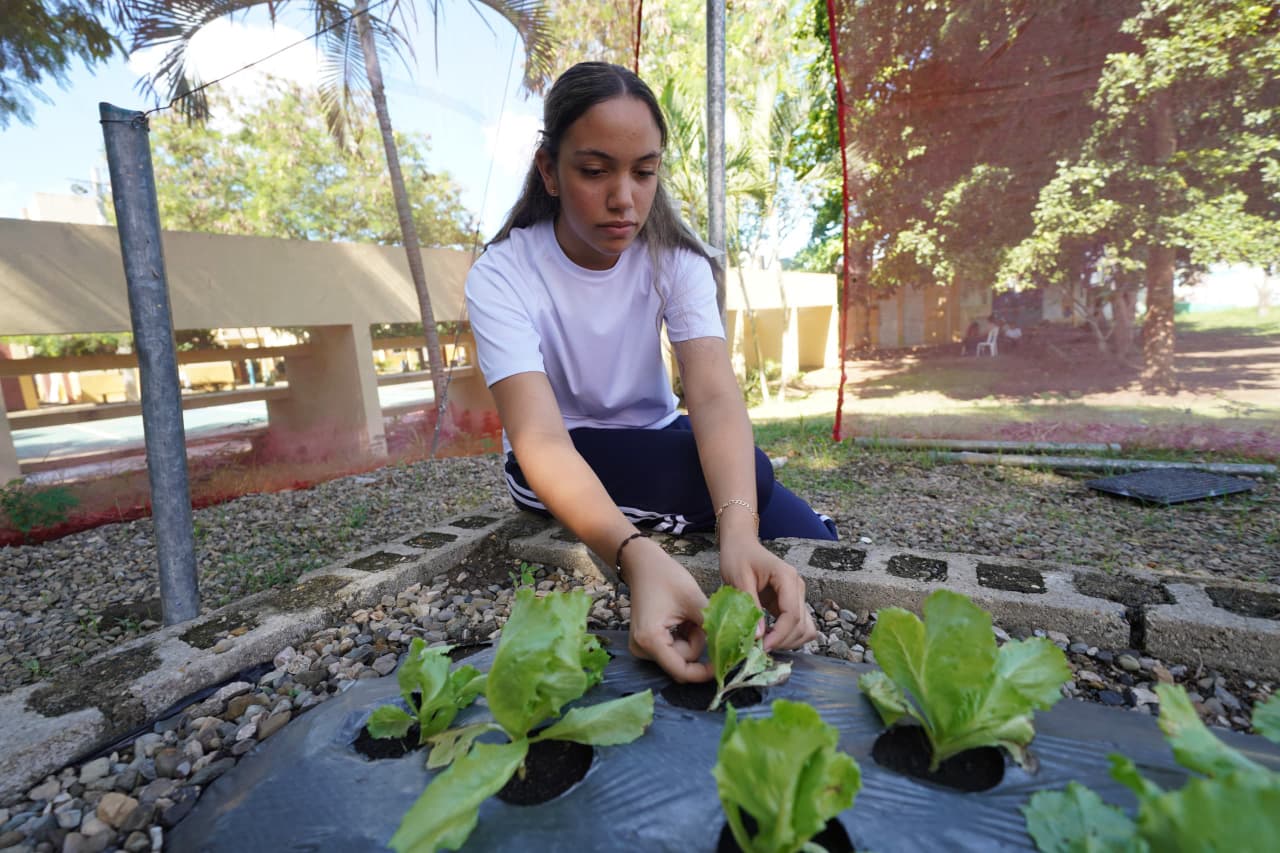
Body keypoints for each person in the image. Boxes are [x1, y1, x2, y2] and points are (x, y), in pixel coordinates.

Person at [465, 62, 832, 684]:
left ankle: (792, 530)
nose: (624, 198)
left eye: (644, 171)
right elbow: (540, 440)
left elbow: (714, 397)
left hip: (662, 435)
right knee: (753, 477)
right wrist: (637, 560)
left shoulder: (675, 258)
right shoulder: (502, 274)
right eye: (595, 170)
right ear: (549, 171)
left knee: (801, 537)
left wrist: (738, 532)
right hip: (560, 454)